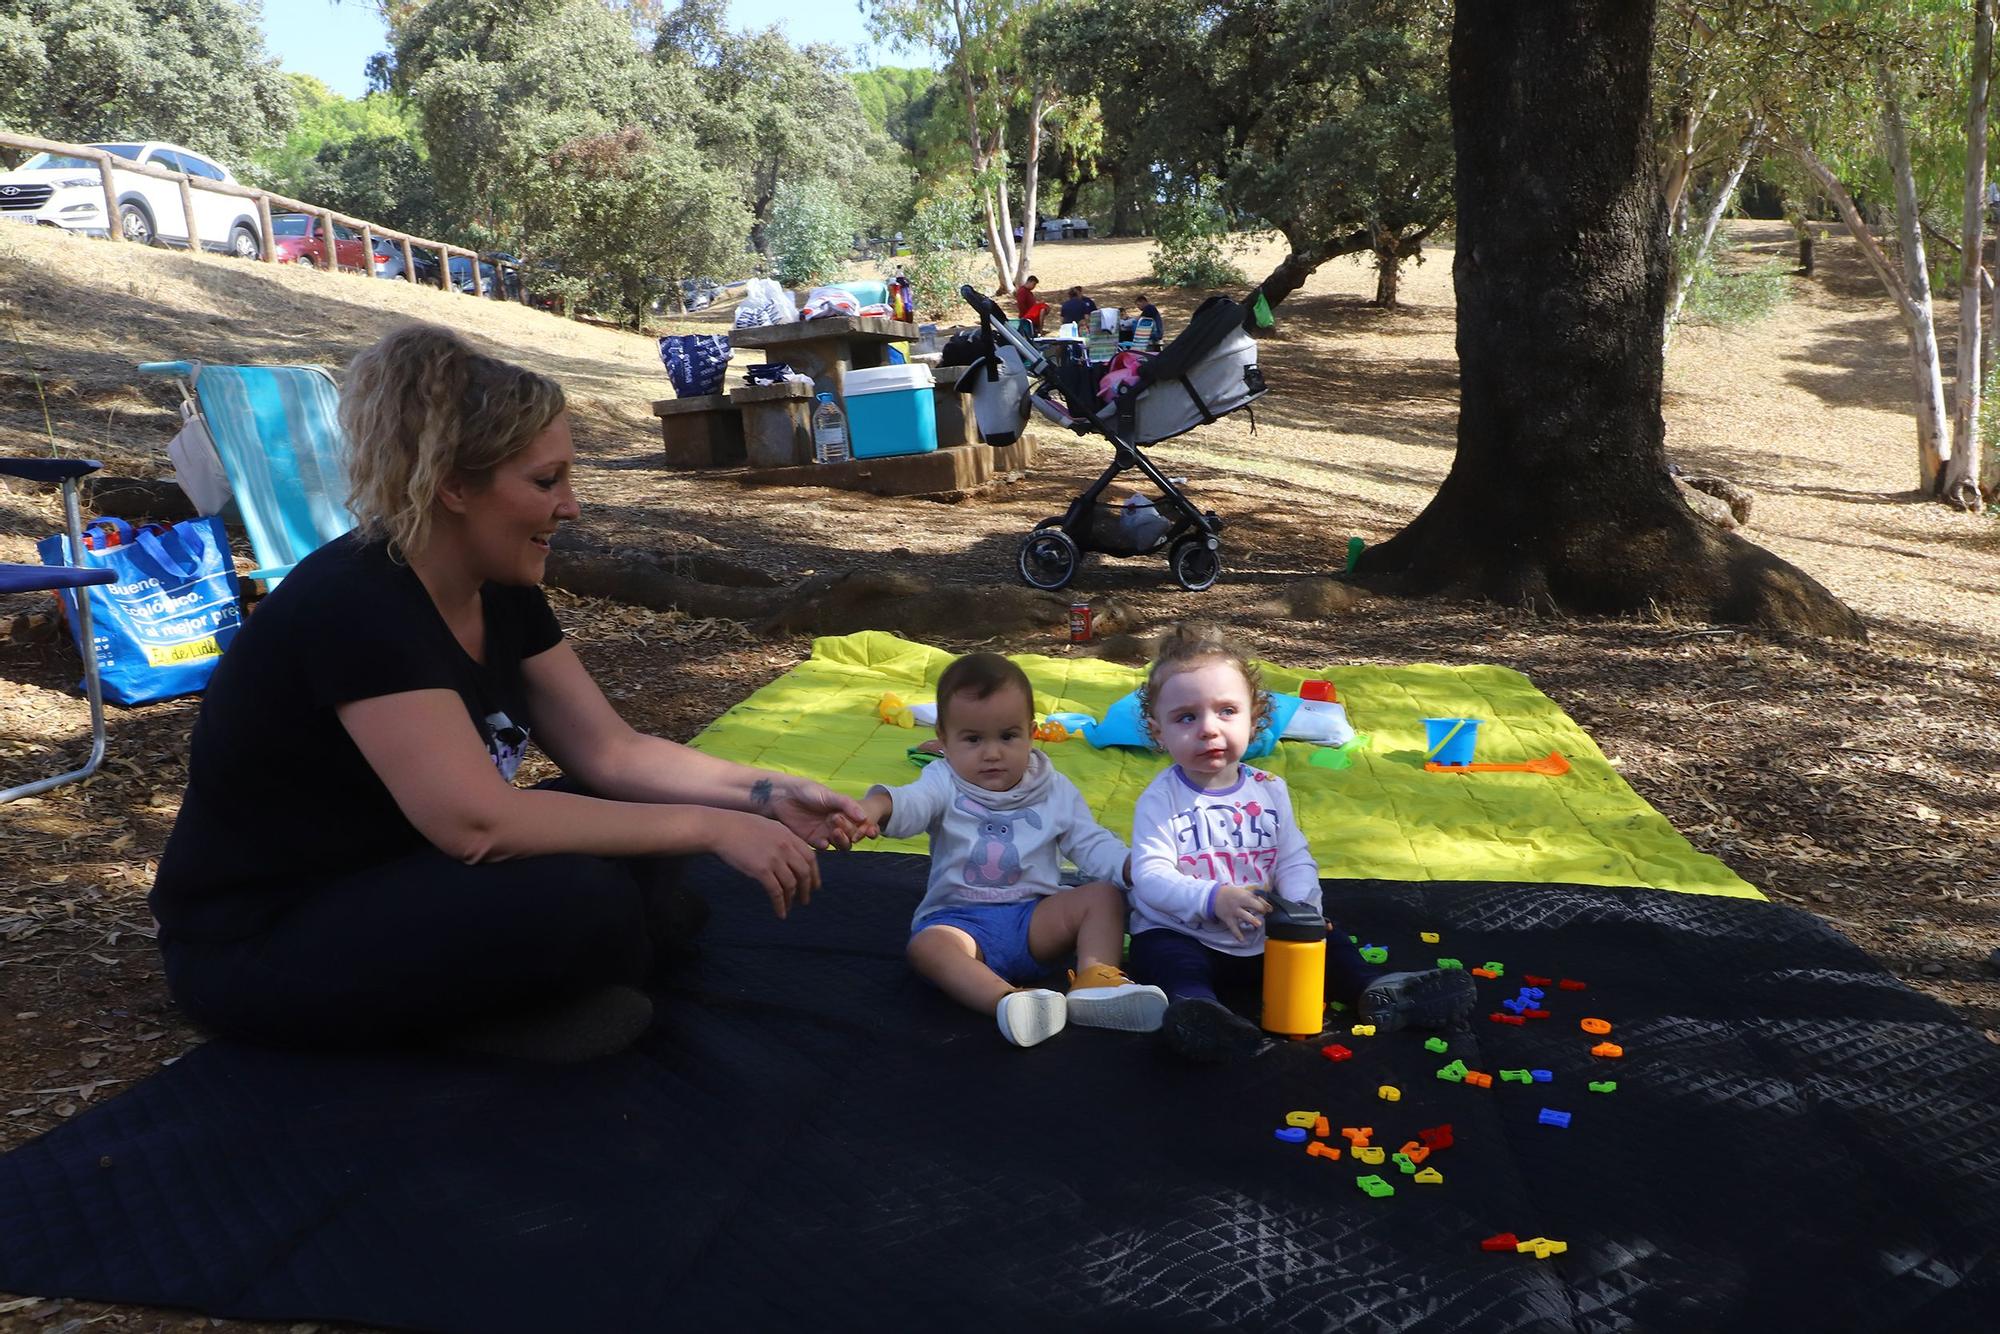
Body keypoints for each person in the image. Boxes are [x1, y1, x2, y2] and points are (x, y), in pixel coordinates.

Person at [149, 323, 869, 1062]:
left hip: (408, 881)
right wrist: (711, 830)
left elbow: (612, 753)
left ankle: (552, 979)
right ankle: (496, 1016)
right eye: (545, 482)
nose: (572, 507)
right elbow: (479, 826)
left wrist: (763, 794)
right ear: (455, 486)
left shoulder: (498, 581)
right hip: (263, 935)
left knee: (631, 831)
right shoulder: (357, 604)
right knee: (580, 901)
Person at [1125, 624, 1475, 1062]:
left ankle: (1379, 991)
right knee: (1164, 957)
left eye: (1227, 711)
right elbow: (1150, 877)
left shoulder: (1270, 789)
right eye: (1186, 717)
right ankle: (1198, 1013)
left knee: (1331, 945)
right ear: (1159, 732)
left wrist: (1302, 907)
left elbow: (1293, 857)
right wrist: (1213, 898)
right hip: (1184, 932)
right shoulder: (1161, 799)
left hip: (1268, 939)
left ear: (1255, 719)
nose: (1209, 729)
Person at [855, 652, 1167, 1048]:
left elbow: (1089, 842)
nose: (992, 753)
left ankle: (1096, 980)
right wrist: (876, 807)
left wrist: (1129, 865)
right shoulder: (942, 781)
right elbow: (910, 803)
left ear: (1031, 733)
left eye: (1007, 736)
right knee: (927, 947)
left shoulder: (1053, 789)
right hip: (963, 925)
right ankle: (1010, 1001)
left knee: (1103, 896)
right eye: (973, 739)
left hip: (1034, 921)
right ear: (944, 742)